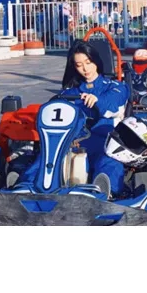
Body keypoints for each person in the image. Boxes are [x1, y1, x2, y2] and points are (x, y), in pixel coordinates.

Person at [59, 41, 131, 198]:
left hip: (103, 141)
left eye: (88, 62)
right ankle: (25, 186)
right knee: (47, 158)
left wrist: (97, 101)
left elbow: (113, 105)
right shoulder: (69, 93)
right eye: (79, 65)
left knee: (108, 163)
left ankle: (106, 192)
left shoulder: (115, 86)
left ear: (96, 61)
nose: (85, 69)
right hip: (73, 142)